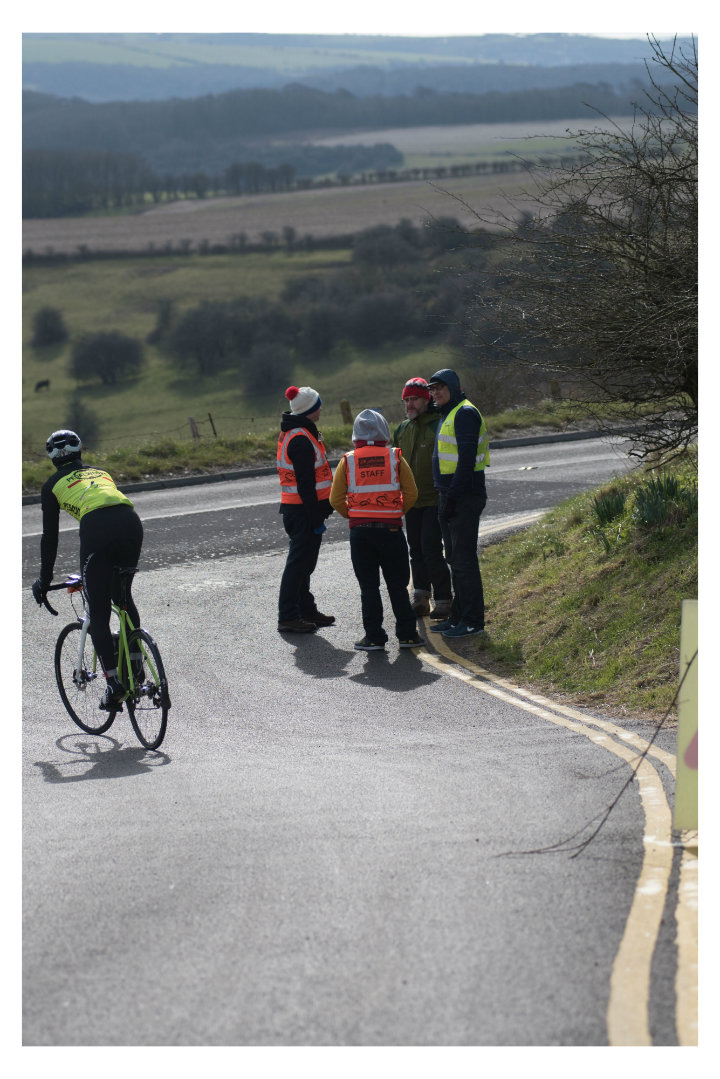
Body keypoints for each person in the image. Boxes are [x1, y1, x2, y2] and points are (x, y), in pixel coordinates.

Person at [31, 429, 145, 709]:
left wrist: (44, 580)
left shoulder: (51, 486)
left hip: (97, 530)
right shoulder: (102, 472)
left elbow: (50, 538)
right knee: (123, 597)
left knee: (99, 613)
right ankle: (138, 668)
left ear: (52, 458)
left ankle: (114, 684)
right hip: (130, 522)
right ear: (80, 450)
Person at [330, 409, 422, 651]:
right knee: (397, 586)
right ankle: (408, 635)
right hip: (390, 531)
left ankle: (374, 637)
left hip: (361, 533)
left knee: (368, 587)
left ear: (355, 434)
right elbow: (412, 493)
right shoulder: (395, 458)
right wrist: (394, 512)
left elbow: (335, 498)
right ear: (384, 431)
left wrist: (354, 515)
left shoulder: (347, 460)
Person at [427, 369, 489, 638]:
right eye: (433, 389)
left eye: (440, 388)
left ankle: (473, 621)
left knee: (464, 561)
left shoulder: (464, 412)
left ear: (453, 387)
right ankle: (458, 617)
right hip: (450, 495)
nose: (435, 393)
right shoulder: (447, 413)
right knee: (455, 559)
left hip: (463, 496)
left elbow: (465, 460)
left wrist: (452, 498)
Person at [392, 377, 452, 620]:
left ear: (426, 399)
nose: (409, 404)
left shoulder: (439, 425)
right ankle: (420, 597)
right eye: (406, 400)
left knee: (431, 549)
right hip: (410, 502)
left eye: (414, 399)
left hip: (435, 499)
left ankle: (444, 599)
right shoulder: (402, 430)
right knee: (415, 549)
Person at [277, 385, 335, 633]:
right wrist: (315, 518)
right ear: (310, 409)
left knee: (304, 565)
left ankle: (306, 610)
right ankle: (288, 616)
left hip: (300, 511)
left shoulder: (300, 432)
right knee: (298, 566)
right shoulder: (300, 438)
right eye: (318, 403)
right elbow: (305, 485)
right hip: (302, 513)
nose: (321, 407)